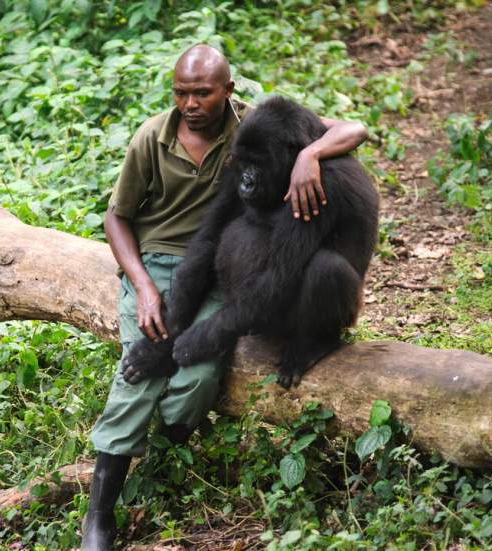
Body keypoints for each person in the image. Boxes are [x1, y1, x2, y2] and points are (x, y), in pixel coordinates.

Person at [81, 44, 369, 550]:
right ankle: (99, 516)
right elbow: (206, 241)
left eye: (202, 92)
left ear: (227, 92)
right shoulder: (185, 140)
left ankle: (313, 343)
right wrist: (161, 311)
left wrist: (311, 154)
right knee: (142, 367)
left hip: (309, 298)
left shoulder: (308, 176)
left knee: (320, 274)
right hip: (170, 269)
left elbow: (276, 284)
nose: (191, 103)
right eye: (181, 92)